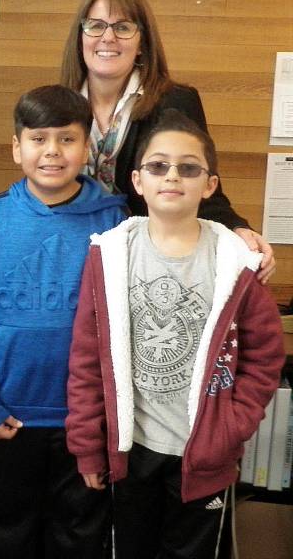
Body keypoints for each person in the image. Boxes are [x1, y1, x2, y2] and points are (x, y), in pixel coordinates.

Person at [66, 109, 284, 559]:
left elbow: (264, 359)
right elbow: (87, 359)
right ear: (138, 180)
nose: (172, 176)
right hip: (132, 450)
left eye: (188, 168)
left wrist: (230, 427)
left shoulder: (236, 263)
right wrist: (89, 446)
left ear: (209, 185)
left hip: (203, 452)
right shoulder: (108, 257)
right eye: (158, 165)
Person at [0, 86, 127, 559]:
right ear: (17, 147)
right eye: (38, 139)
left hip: (84, 419)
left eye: (66, 139)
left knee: (79, 535)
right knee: (11, 530)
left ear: (87, 147)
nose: (52, 151)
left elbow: (122, 324)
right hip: (11, 417)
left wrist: (104, 414)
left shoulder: (116, 220)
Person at [60, 0, 275, 281]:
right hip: (72, 257)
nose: (107, 37)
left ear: (142, 43)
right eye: (96, 26)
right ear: (81, 36)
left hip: (148, 266)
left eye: (122, 27)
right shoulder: (60, 104)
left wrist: (238, 228)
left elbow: (199, 184)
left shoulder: (174, 102)